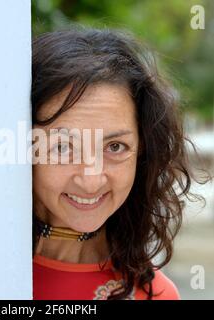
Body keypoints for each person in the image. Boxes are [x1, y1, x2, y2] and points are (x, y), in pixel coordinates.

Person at [31, 28, 208, 300]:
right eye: (63, 148)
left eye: (115, 147)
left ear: (142, 152)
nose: (91, 180)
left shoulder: (154, 295)